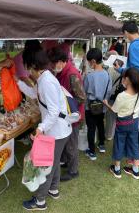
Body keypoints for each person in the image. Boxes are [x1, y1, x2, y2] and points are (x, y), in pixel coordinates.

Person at [18, 49, 72, 211]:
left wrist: (40, 128)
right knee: (53, 163)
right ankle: (53, 190)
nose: (27, 70)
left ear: (33, 65)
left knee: (46, 167)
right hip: (59, 130)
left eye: (27, 67)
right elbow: (35, 94)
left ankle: (39, 201)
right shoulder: (44, 78)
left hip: (57, 131)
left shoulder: (46, 81)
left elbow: (54, 111)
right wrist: (18, 82)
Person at [47, 47, 86, 182]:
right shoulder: (61, 72)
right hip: (65, 115)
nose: (52, 66)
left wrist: (65, 105)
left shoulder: (72, 74)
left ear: (62, 61)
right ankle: (65, 161)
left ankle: (73, 170)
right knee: (65, 142)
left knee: (71, 144)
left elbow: (81, 97)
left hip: (73, 116)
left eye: (54, 63)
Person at [103, 67, 139, 180]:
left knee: (119, 144)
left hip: (123, 123)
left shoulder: (122, 96)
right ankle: (135, 170)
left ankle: (117, 169)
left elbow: (114, 110)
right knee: (134, 144)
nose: (123, 79)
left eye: (124, 78)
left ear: (127, 79)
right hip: (134, 122)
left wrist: (106, 103)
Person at [84, 48, 112, 160]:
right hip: (102, 105)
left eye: (89, 61)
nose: (89, 64)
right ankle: (101, 145)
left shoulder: (89, 76)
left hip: (90, 106)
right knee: (100, 125)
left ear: (93, 61)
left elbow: (85, 90)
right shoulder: (107, 74)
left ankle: (91, 151)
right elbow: (109, 90)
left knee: (91, 128)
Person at [115, 21, 139, 90]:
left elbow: (137, 70)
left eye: (123, 34)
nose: (124, 37)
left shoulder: (135, 45)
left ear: (126, 32)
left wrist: (120, 70)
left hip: (138, 87)